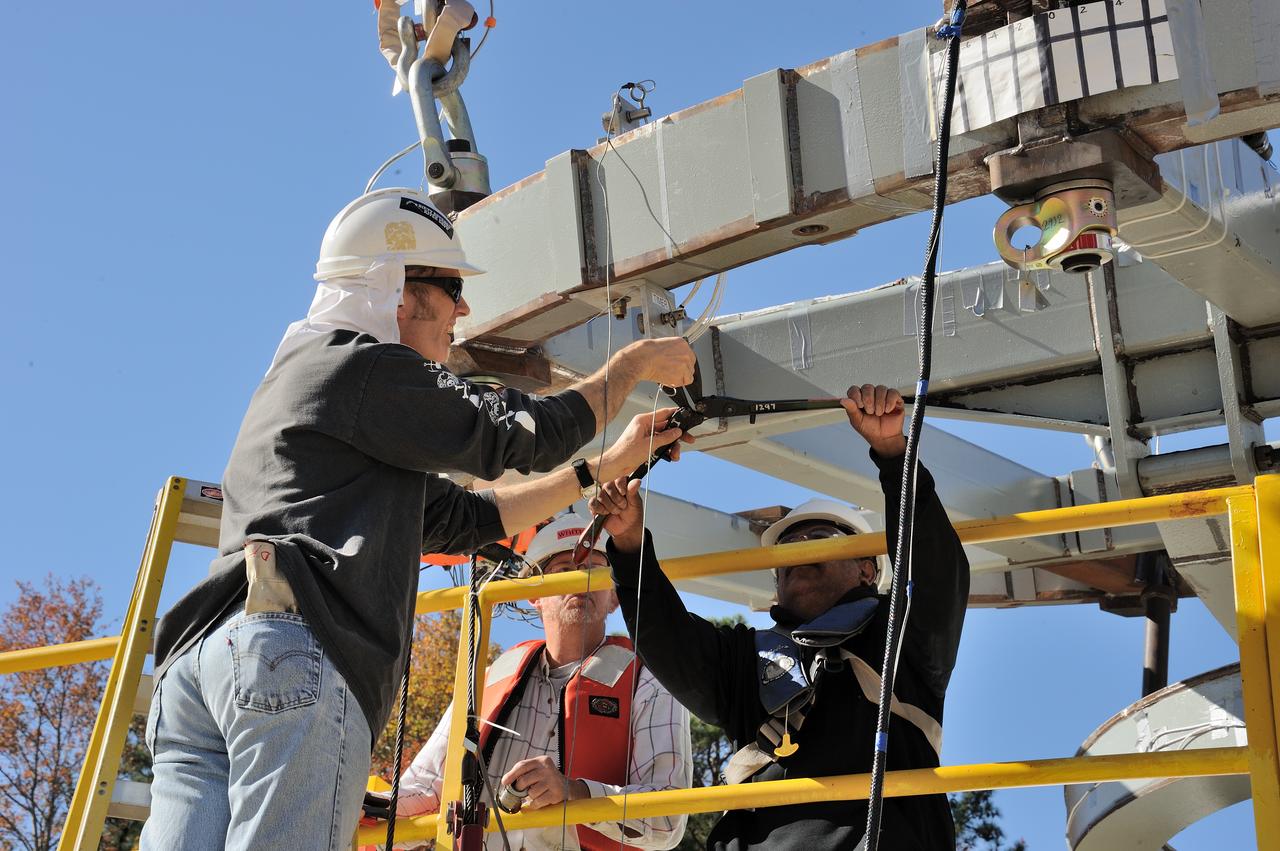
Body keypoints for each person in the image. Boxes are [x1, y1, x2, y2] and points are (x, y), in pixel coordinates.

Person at [140, 188, 695, 851]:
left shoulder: (310, 381)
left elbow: (466, 518)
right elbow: (517, 432)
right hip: (291, 652)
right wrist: (633, 365)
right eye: (453, 288)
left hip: (201, 666)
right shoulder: (367, 364)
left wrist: (603, 466)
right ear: (396, 290)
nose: (463, 310)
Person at [590, 384, 969, 850]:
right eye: (788, 547)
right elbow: (667, 640)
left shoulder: (902, 636)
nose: (800, 551)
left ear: (867, 570)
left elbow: (934, 568)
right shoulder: (744, 660)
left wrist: (893, 453)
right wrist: (629, 545)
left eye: (820, 538)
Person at [393, 514, 693, 850]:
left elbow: (667, 820)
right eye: (564, 570)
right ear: (533, 594)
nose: (580, 580)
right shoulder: (487, 679)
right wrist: (367, 808)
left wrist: (576, 793)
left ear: (614, 598)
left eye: (593, 570)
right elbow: (427, 787)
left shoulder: (648, 680)